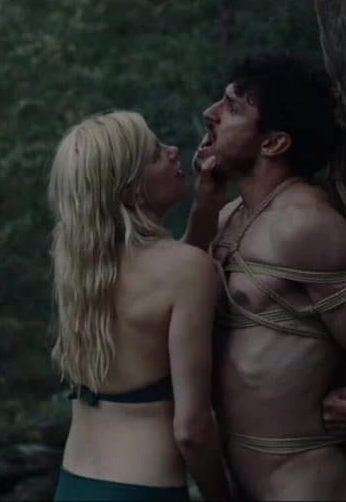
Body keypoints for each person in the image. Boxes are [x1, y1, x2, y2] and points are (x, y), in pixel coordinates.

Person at [183, 55, 346, 500]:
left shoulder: (304, 225)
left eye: (232, 108)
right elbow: (179, 293)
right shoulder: (228, 217)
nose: (210, 114)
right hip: (246, 483)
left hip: (305, 484)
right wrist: (204, 205)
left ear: (274, 143)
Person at [48, 111, 230, 501]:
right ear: (131, 192)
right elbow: (192, 431)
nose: (173, 150)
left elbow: (161, 284)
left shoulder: (76, 262)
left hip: (74, 483)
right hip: (143, 489)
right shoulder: (186, 270)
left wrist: (204, 212)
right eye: (155, 154)